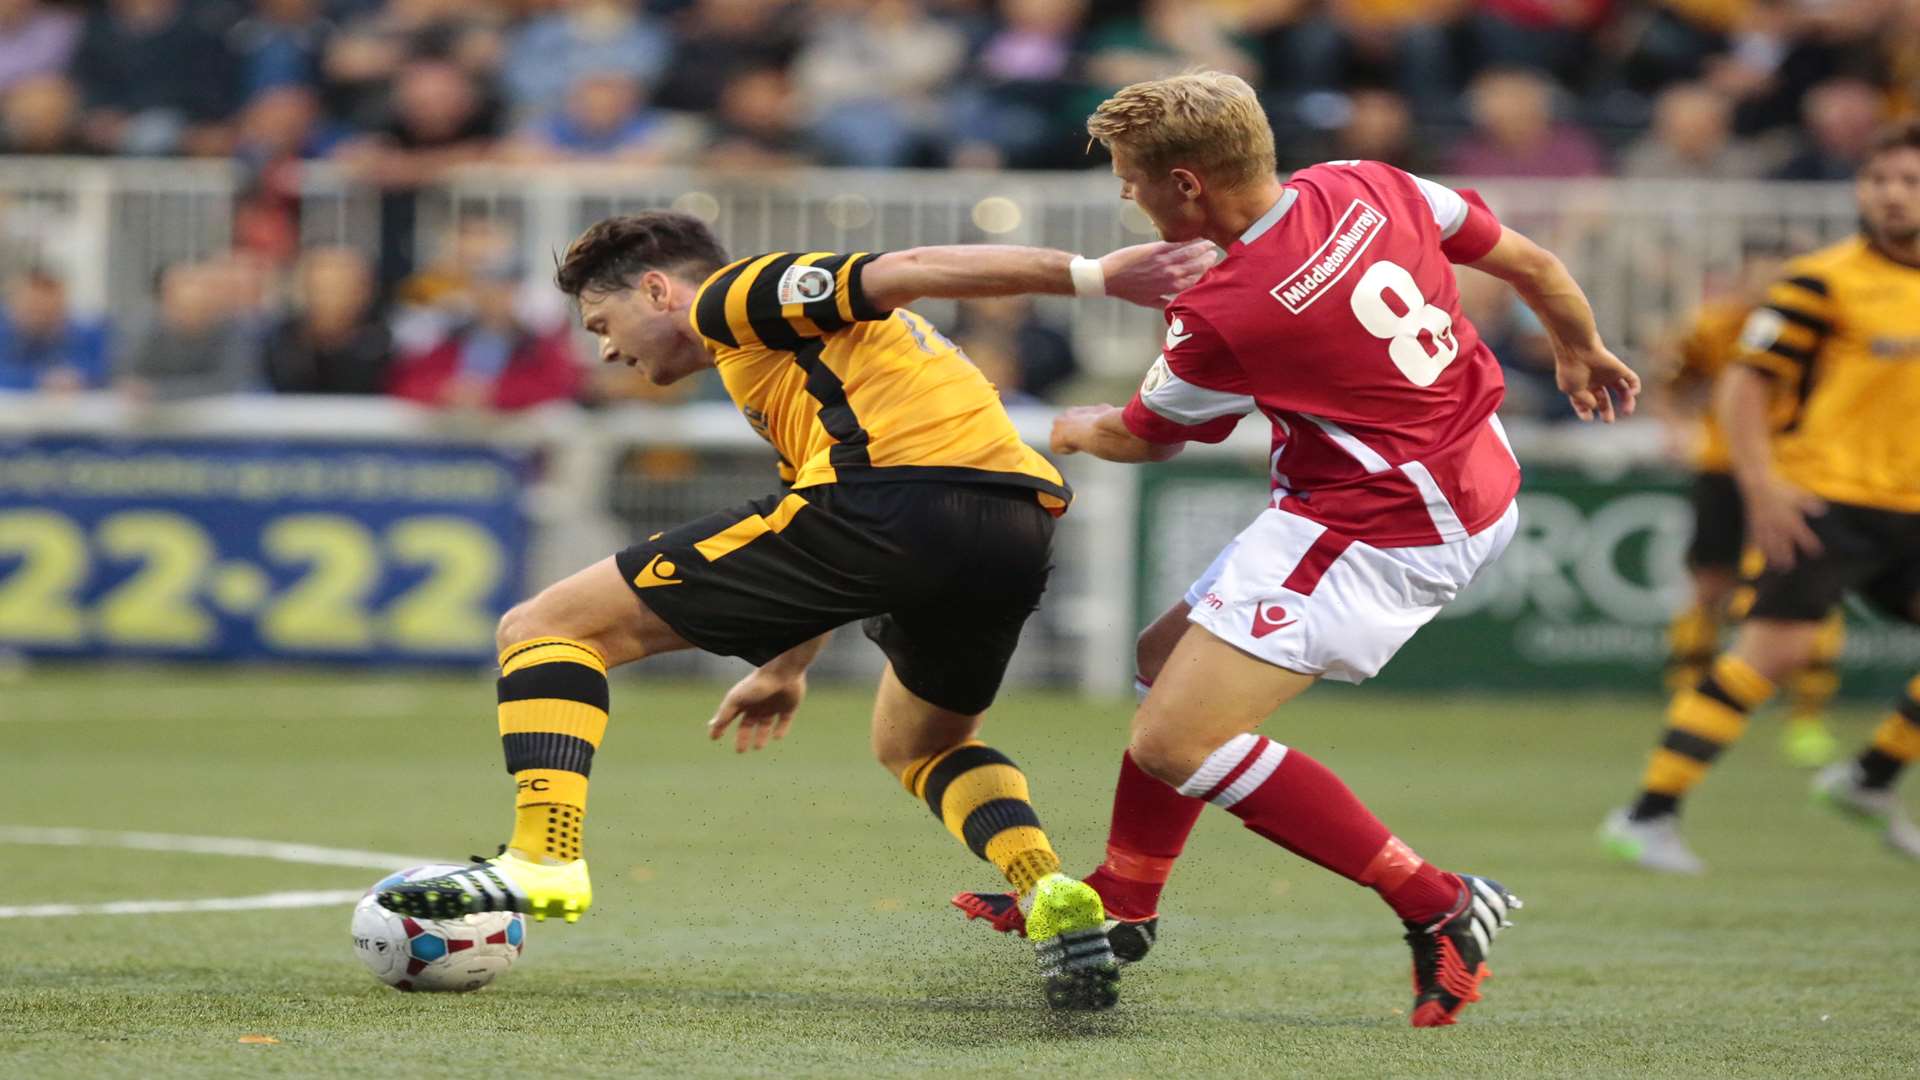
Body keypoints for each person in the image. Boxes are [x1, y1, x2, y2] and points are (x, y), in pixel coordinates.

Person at [373, 210, 1215, 1010]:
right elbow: (823, 514)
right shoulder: (794, 361)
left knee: (544, 627)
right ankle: (1049, 893)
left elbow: (908, 270)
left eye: (602, 322)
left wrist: (1096, 276)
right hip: (1011, 528)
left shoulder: (732, 295)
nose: (606, 351)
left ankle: (543, 857)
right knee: (922, 744)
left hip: (895, 498)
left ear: (660, 291)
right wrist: (786, 666)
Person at [951, 71, 1638, 1028]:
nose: (1125, 196)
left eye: (1130, 178)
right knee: (1162, 663)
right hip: (1457, 472)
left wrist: (1056, 426)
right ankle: (1126, 899)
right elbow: (1526, 259)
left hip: (1382, 524)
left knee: (1176, 739)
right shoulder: (1367, 181)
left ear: (1187, 186)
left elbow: (1144, 437)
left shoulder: (1229, 306)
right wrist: (1580, 344)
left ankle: (1439, 901)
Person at [1602, 121, 1920, 872]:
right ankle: (1646, 813)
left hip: (1909, 505)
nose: (1893, 196)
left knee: (1771, 647)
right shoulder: (1823, 280)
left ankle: (1871, 779)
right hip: (1828, 500)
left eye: (1909, 181)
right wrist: (1764, 485)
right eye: (1879, 180)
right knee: (1770, 653)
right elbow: (1747, 382)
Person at [1652, 243, 1842, 770]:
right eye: (1760, 273)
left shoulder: (1825, 327)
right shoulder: (1714, 324)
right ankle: (1689, 700)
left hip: (1797, 471)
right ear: (1742, 276)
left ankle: (1806, 717)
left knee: (1808, 591)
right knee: (1711, 586)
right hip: (1722, 467)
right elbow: (1673, 377)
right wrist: (1674, 427)